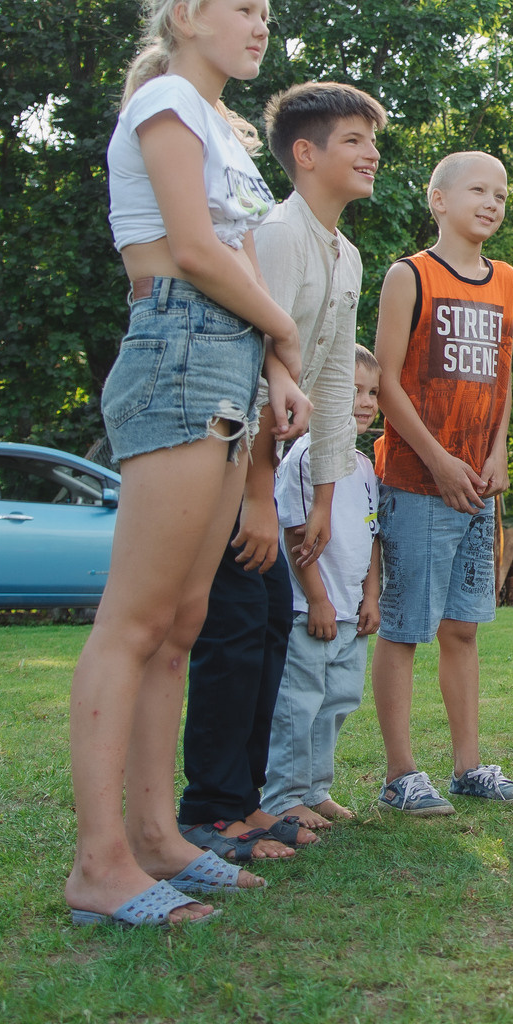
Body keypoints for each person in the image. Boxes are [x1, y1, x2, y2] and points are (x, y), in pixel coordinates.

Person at [65, 0, 307, 927]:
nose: (260, 25)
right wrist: (285, 332)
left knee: (183, 626)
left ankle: (160, 837)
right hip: (177, 345)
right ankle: (99, 862)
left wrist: (279, 365)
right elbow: (197, 250)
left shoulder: (225, 129)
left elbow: (242, 257)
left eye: (264, 11)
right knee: (133, 623)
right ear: (185, 17)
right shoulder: (163, 103)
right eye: (243, 8)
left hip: (231, 356)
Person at [180, 80, 387, 862]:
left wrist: (326, 495)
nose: (372, 155)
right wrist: (259, 496)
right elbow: (249, 368)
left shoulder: (346, 254)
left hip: (278, 470)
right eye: (354, 141)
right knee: (234, 629)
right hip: (228, 460)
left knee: (268, 626)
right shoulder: (272, 236)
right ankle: (211, 810)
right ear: (305, 154)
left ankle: (255, 800)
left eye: (374, 142)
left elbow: (331, 382)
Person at [368, 152, 513, 814]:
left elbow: (503, 376)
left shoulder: (510, 281)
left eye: (501, 192)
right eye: (477, 190)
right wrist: (436, 458)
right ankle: (401, 774)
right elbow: (384, 380)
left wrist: (496, 453)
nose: (492, 201)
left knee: (462, 629)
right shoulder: (410, 275)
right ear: (438, 199)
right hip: (417, 480)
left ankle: (468, 767)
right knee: (406, 627)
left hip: (478, 489)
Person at [261, 346, 385, 825]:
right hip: (308, 611)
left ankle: (315, 789)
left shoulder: (363, 465)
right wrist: (318, 600)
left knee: (336, 702)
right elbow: (296, 531)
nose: (366, 401)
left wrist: (370, 596)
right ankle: (282, 797)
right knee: (299, 704)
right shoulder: (306, 456)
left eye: (372, 392)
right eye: (352, 389)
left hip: (351, 614)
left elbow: (372, 537)